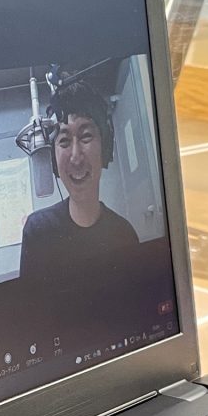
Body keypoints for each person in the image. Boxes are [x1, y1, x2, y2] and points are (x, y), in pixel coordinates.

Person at [18, 80, 140, 343]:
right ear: (53, 158)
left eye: (86, 137)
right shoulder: (38, 232)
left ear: (104, 147)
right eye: (63, 141)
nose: (75, 156)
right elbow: (29, 324)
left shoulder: (125, 234)